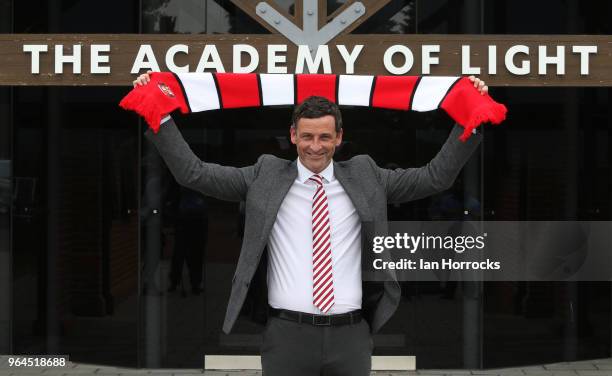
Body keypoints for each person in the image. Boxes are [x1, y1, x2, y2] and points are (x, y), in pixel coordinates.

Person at [133, 72, 488, 375]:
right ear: (293, 136)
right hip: (287, 334)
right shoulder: (265, 175)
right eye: (307, 136)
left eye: (324, 137)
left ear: (338, 138)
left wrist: (469, 120)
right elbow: (193, 173)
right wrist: (159, 116)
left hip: (350, 335)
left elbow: (434, 178)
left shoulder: (367, 175)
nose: (315, 146)